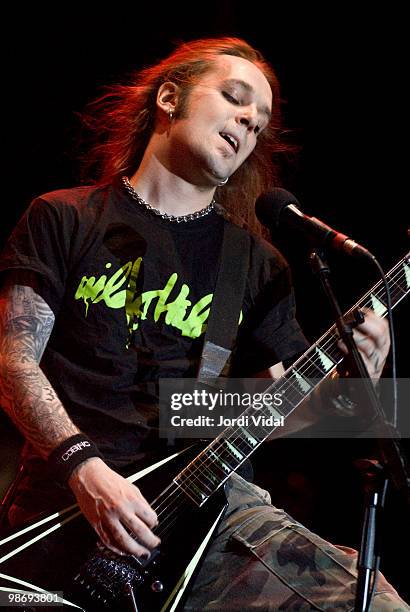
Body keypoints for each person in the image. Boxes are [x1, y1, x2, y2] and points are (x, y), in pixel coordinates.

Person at [0, 37, 407, 610]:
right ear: (170, 98)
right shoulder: (64, 216)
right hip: (62, 509)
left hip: (204, 507)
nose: (249, 122)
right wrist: (85, 470)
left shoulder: (256, 262)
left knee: (370, 604)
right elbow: (14, 364)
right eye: (235, 98)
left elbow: (278, 412)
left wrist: (362, 377)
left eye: (260, 123)